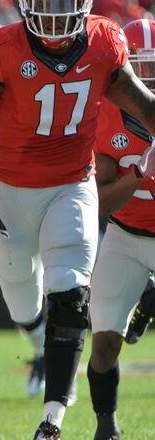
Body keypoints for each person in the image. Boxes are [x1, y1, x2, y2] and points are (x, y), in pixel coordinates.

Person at [0, 2, 155, 438]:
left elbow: (144, 104)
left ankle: (51, 420)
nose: (55, 14)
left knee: (71, 292)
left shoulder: (103, 41)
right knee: (23, 301)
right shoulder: (3, 48)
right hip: (11, 192)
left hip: (71, 184)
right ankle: (37, 341)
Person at [86, 18, 155, 440]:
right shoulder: (107, 115)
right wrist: (139, 176)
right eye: (142, 66)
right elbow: (99, 201)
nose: (149, 76)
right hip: (128, 235)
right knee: (105, 339)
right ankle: (106, 426)